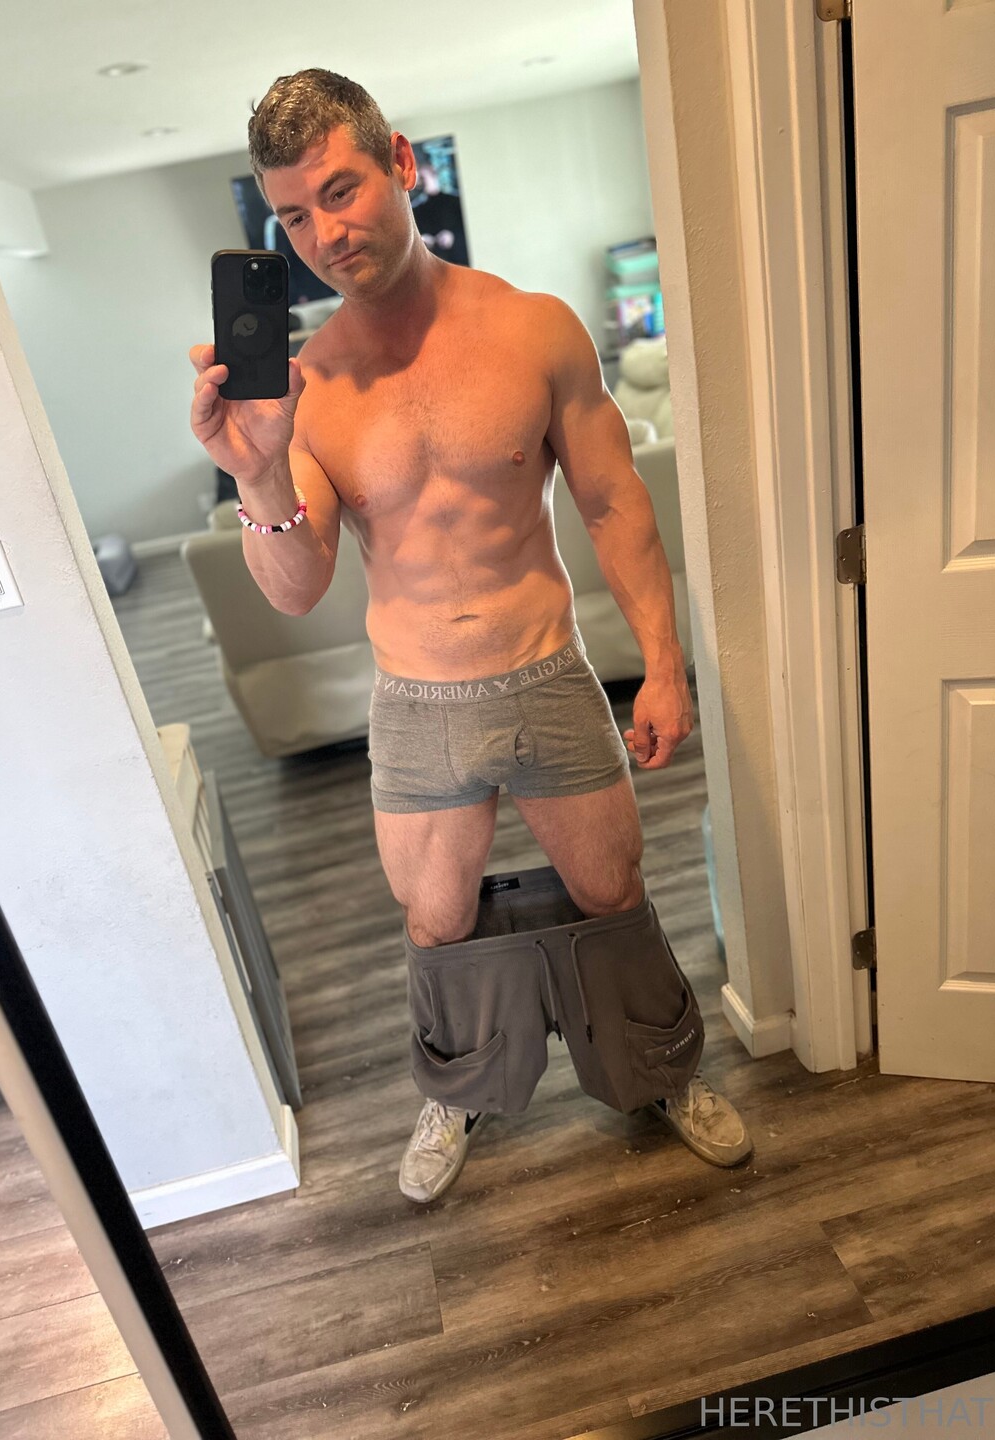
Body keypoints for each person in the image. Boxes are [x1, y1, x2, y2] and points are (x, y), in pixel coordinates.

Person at [189, 68, 752, 1202]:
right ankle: (457, 1089)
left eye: (340, 191)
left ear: (401, 162)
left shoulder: (533, 329)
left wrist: (666, 662)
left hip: (547, 670)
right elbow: (295, 588)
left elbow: (613, 502)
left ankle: (659, 1072)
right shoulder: (308, 390)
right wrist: (256, 474)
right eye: (293, 216)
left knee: (613, 890)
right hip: (417, 701)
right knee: (435, 921)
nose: (323, 233)